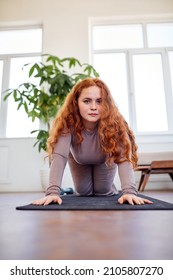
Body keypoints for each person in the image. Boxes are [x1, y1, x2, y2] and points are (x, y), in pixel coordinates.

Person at [32, 78, 152, 206]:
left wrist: (129, 192)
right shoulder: (67, 123)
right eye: (87, 101)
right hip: (79, 159)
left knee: (102, 191)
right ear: (76, 102)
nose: (93, 107)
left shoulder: (116, 123)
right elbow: (59, 157)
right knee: (83, 192)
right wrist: (53, 193)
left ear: (106, 103)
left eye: (99, 101)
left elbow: (123, 157)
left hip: (105, 158)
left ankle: (108, 188)